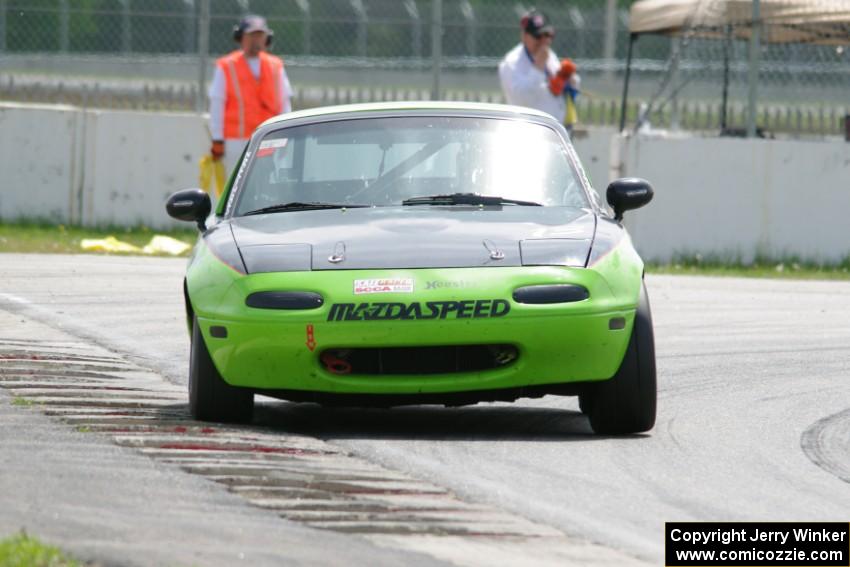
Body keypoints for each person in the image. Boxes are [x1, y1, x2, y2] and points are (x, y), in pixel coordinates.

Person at [208, 14, 293, 177]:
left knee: (268, 182)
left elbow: (284, 103)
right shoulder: (226, 66)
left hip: (270, 138)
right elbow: (217, 104)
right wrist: (217, 139)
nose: (256, 40)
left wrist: (287, 131)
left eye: (260, 36)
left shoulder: (276, 66)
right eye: (251, 35)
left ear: (267, 39)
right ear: (240, 38)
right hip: (236, 141)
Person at [498, 9, 581, 134]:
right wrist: (538, 68)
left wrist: (570, 79)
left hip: (556, 132)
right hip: (529, 134)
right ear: (524, 36)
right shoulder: (511, 63)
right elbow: (521, 99)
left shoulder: (550, 56)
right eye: (537, 36)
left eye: (548, 35)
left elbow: (559, 90)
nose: (544, 40)